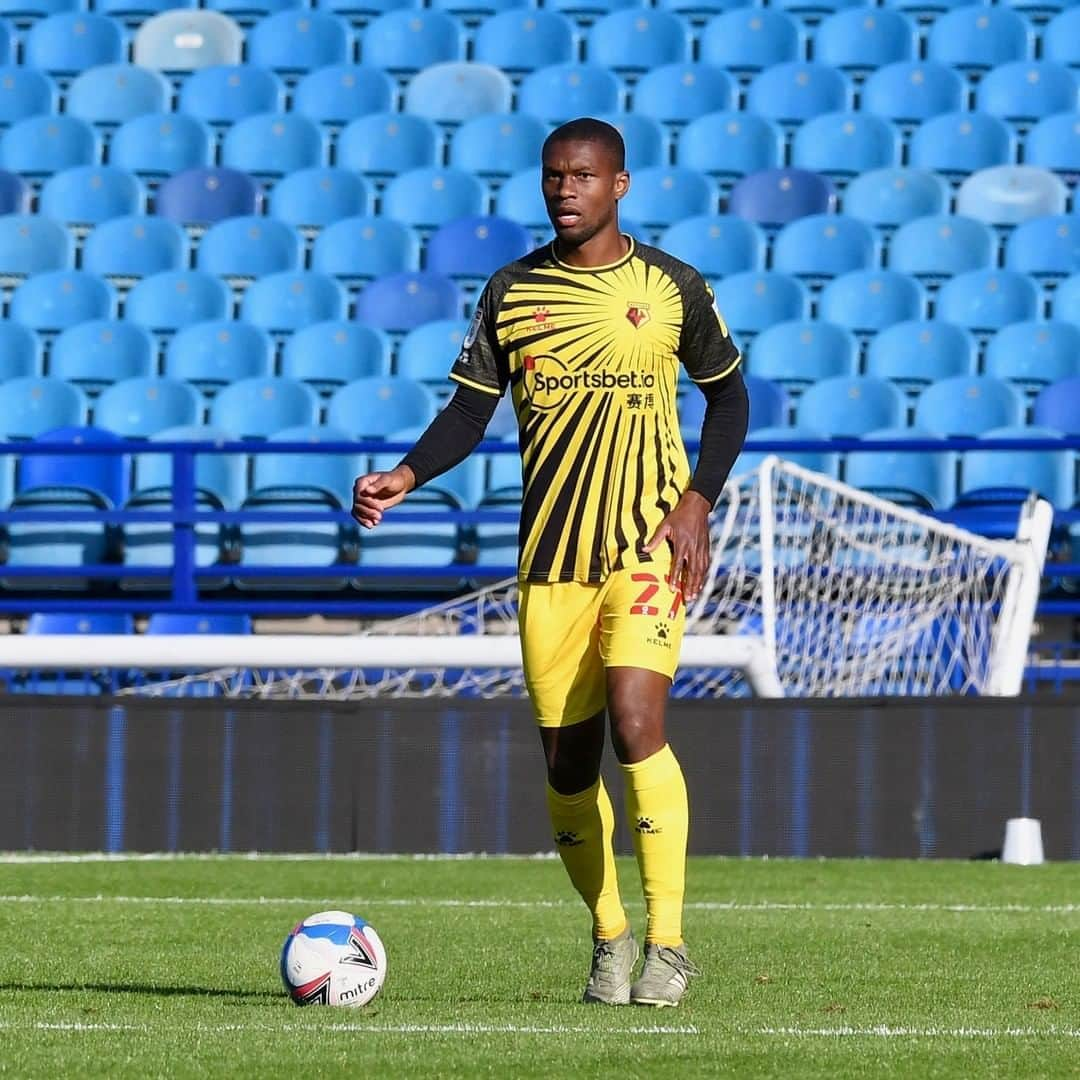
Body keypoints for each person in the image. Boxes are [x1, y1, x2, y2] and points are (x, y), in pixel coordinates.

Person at [352, 117, 749, 1008]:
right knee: (569, 769)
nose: (564, 190)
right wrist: (406, 474)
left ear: (620, 186)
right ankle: (609, 935)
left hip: (648, 547)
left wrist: (696, 502)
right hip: (552, 561)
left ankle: (670, 946)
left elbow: (730, 402)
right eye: (552, 177)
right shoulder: (512, 290)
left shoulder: (672, 286)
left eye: (581, 176)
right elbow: (468, 412)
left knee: (637, 724)